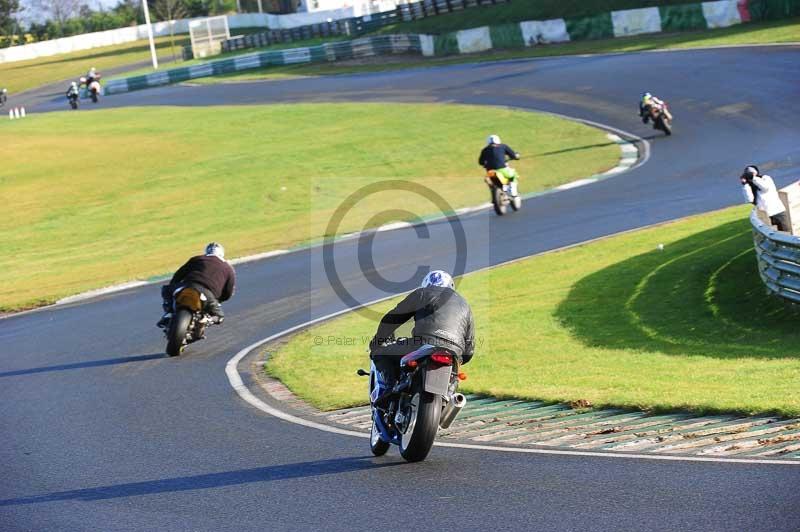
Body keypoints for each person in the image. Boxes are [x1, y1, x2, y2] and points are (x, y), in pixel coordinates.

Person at [370, 270, 475, 390]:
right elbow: (469, 350)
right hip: (455, 351)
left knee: (380, 353)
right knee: (453, 379)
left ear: (427, 284)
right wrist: (458, 358)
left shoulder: (422, 293)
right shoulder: (465, 304)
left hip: (424, 343)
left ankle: (389, 390)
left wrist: (378, 341)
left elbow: (393, 318)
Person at [157, 242, 236, 328]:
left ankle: (169, 312)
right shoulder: (229, 268)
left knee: (166, 289)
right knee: (219, 316)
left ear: (207, 252)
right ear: (222, 254)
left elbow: (178, 275)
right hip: (208, 294)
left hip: (187, 285)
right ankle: (208, 320)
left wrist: (174, 285)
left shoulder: (197, 259)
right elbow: (228, 291)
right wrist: (219, 300)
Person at [741, 165, 789, 231]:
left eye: (751, 173)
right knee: (772, 238)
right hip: (765, 216)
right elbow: (750, 199)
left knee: (786, 234)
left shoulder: (765, 178)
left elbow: (765, 188)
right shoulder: (750, 186)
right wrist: (745, 185)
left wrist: (754, 178)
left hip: (778, 212)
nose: (751, 175)